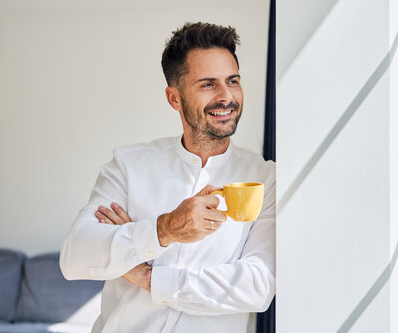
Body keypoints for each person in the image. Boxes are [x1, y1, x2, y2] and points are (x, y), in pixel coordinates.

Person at [60, 22, 275, 333]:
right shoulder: (128, 165)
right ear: (174, 98)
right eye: (207, 84)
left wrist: (150, 277)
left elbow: (257, 286)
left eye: (233, 81)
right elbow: (76, 255)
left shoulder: (264, 178)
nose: (226, 96)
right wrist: (163, 229)